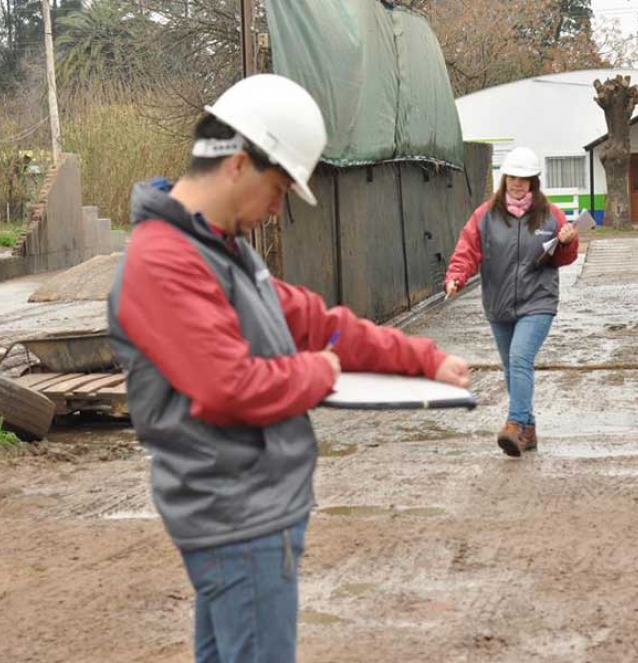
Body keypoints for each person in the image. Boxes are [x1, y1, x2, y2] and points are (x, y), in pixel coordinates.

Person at [107, 74, 471, 663]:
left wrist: (423, 358)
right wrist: (320, 373)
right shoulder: (165, 263)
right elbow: (229, 388)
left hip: (252, 509)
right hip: (236, 515)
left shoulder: (219, 251)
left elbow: (315, 321)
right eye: (279, 187)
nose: (278, 207)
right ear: (238, 164)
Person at [443, 146, 579, 458]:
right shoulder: (485, 215)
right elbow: (468, 250)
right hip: (499, 303)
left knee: (519, 358)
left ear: (534, 182)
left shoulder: (550, 215)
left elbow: (563, 258)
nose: (517, 184)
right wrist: (456, 276)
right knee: (511, 368)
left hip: (538, 301)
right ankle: (529, 430)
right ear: (505, 179)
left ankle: (515, 424)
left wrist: (569, 242)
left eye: (524, 179)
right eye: (512, 178)